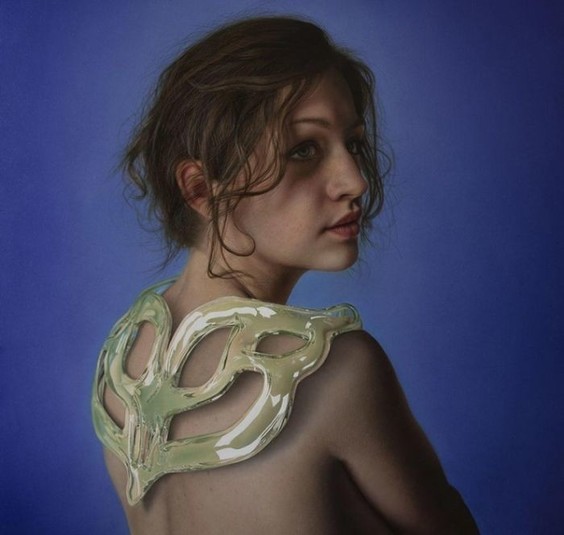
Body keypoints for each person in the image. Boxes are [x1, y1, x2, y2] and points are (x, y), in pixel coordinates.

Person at [92, 15, 478, 534]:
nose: (354, 180)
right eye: (304, 150)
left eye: (353, 143)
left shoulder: (123, 360)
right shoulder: (334, 372)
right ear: (201, 189)